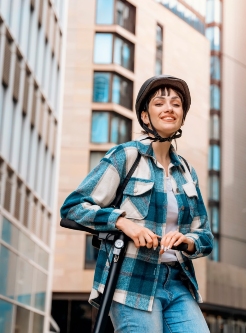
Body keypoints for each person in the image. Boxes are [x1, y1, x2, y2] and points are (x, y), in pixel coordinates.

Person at [60, 75, 213, 333]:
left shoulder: (186, 171)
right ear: (145, 116)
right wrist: (123, 223)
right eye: (159, 103)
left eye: (176, 104)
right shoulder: (126, 156)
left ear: (182, 116)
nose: (169, 109)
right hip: (131, 281)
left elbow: (205, 235)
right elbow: (74, 207)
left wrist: (187, 241)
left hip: (177, 280)